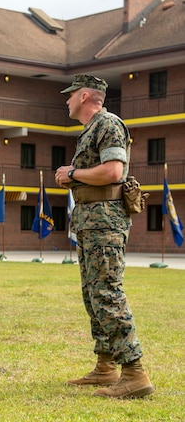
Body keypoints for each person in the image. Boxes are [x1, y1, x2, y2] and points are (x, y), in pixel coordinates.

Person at [55, 74, 154, 399]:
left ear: (84, 96)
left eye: (70, 95)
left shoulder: (108, 123)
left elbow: (113, 171)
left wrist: (72, 174)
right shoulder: (91, 129)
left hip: (104, 221)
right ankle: (106, 366)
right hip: (90, 220)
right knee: (92, 293)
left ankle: (134, 373)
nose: (66, 100)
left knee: (107, 292)